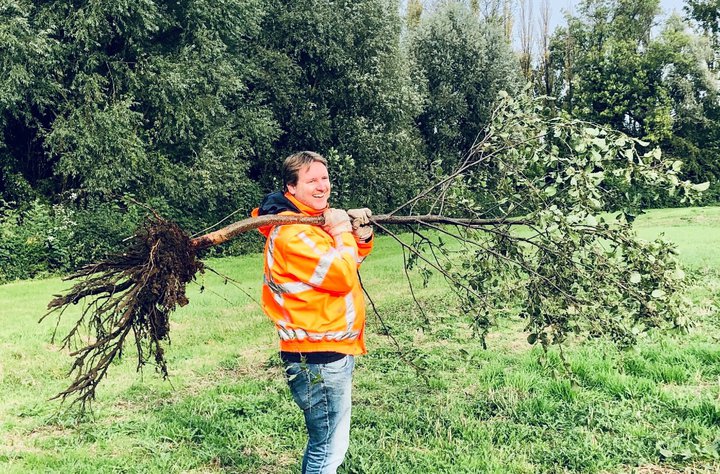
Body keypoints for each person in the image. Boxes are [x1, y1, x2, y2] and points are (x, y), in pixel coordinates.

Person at [251, 151, 374, 473]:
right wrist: (342, 231)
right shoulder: (293, 234)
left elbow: (347, 263)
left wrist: (361, 235)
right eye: (311, 181)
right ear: (290, 188)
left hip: (330, 350)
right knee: (327, 448)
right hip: (317, 358)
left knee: (331, 442)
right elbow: (341, 276)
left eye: (324, 178)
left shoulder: (310, 225)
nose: (322, 187)